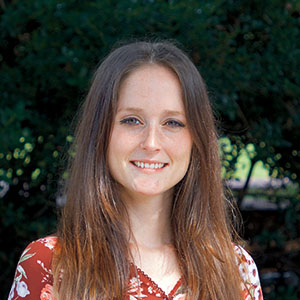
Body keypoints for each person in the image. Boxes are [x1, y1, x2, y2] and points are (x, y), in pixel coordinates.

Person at [8, 41, 263, 300]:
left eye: (172, 123)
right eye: (132, 120)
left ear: (196, 140)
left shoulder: (235, 269)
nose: (151, 143)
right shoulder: (49, 264)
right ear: (101, 132)